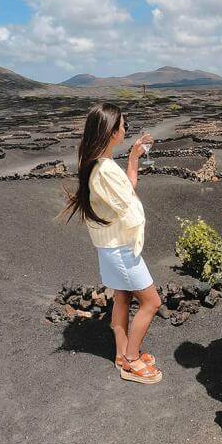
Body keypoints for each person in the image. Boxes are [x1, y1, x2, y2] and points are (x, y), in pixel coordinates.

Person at [62, 102, 163, 384]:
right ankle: (131, 361)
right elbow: (129, 203)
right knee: (151, 302)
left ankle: (122, 354)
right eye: (122, 126)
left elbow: (126, 190)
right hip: (120, 248)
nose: (124, 130)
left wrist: (133, 159)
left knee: (122, 296)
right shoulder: (105, 170)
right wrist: (138, 218)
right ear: (111, 131)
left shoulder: (100, 164)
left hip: (111, 246)